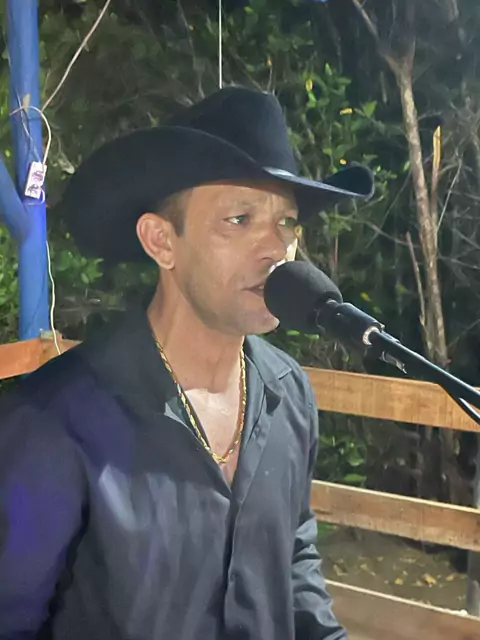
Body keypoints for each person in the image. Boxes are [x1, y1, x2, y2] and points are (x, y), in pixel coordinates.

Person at [0, 86, 373, 639]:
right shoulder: (54, 420)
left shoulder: (289, 392)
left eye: (287, 223)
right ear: (161, 241)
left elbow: (292, 556)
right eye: (240, 218)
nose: (276, 248)